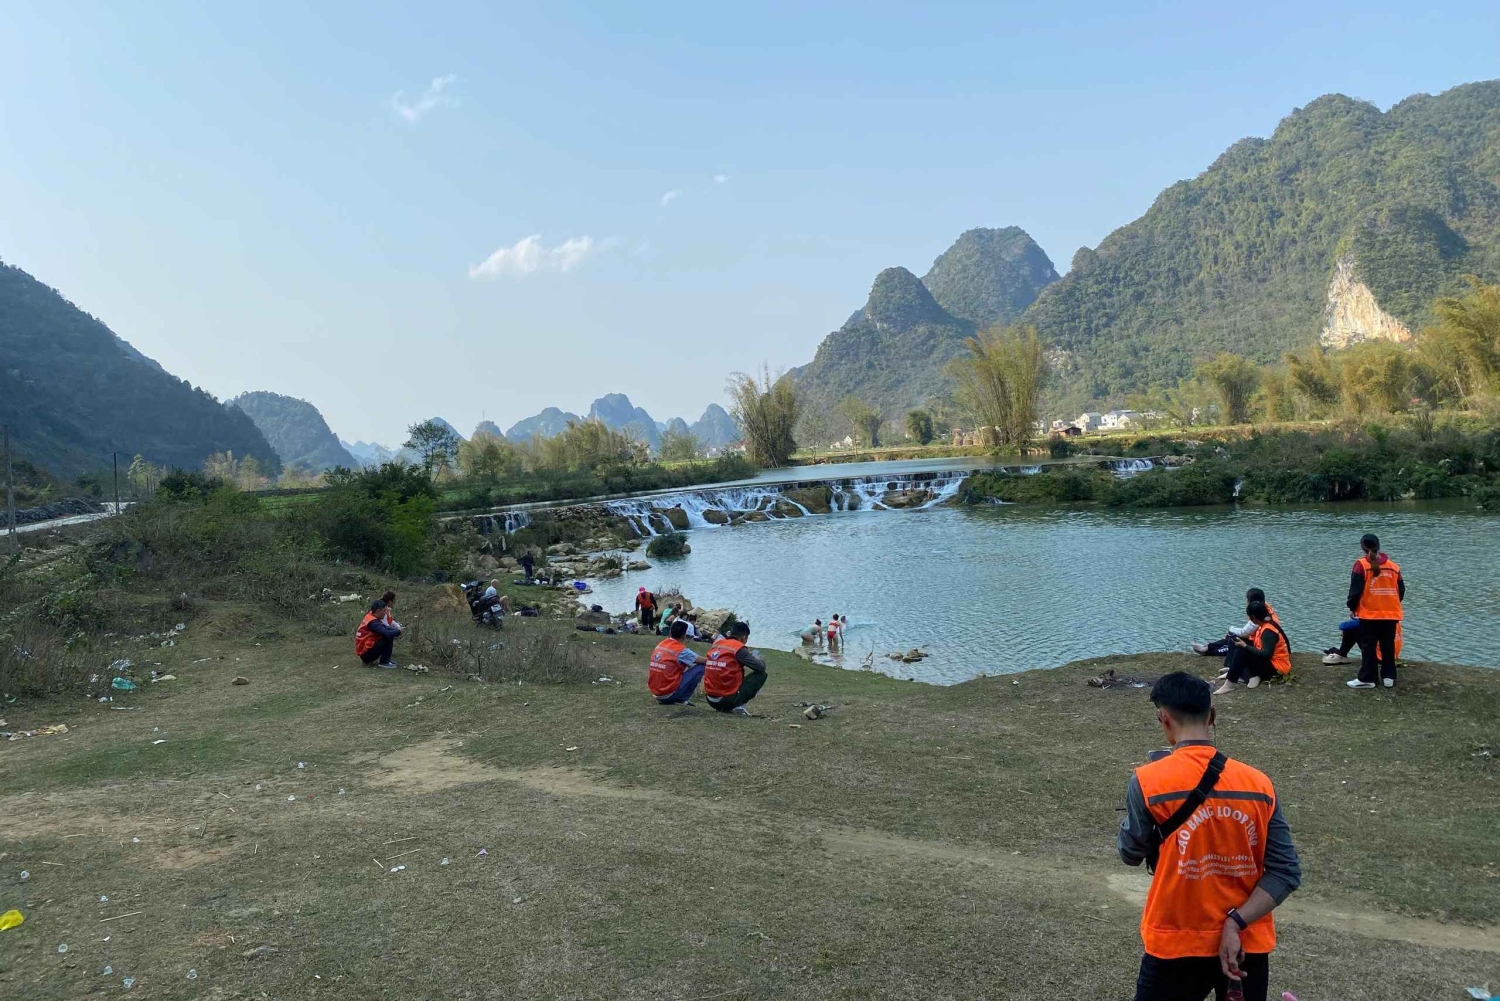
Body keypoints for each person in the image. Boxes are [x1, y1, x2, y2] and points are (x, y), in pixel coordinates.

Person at [1118, 672, 1301, 1001]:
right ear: (1212, 715)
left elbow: (1131, 853)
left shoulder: (1147, 781)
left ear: (1164, 718)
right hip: (1246, 944)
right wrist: (1235, 922)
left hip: (1175, 942)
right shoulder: (1259, 784)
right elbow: (1285, 871)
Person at [1346, 533, 1405, 690]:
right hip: (1390, 614)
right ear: (1379, 546)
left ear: (1362, 547)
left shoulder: (1361, 565)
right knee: (1388, 645)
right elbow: (1401, 591)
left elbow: (1355, 591)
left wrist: (1352, 607)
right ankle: (1389, 677)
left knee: (1369, 647)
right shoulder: (1394, 567)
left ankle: (1368, 678)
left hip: (1369, 614)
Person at [1214, 601, 1290, 695]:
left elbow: (1266, 655)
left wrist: (1245, 646)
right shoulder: (1265, 624)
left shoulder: (1268, 632)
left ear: (1253, 618)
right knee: (1235, 639)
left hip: (1277, 668)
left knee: (1242, 651)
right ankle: (1237, 671)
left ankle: (1230, 683)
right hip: (1268, 661)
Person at [704, 620, 769, 715]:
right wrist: (757, 659)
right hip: (726, 699)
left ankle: (729, 706)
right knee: (761, 675)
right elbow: (760, 667)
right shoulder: (739, 648)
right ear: (744, 637)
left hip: (710, 698)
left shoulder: (717, 644)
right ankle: (738, 707)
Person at [1193, 589, 1280, 657]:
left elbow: (1244, 633)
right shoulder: (1263, 608)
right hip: (1257, 640)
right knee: (1232, 637)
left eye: (1247, 599)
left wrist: (1231, 629)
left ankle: (1208, 651)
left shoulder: (1258, 613)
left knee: (1235, 641)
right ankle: (1208, 647)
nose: (1246, 602)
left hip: (1259, 644)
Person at [649, 620, 704, 705]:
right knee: (700, 667)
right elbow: (702, 660)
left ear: (670, 633)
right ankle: (682, 699)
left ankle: (677, 697)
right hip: (668, 693)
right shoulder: (681, 650)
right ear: (684, 636)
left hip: (656, 692)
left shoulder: (661, 644)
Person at [1321, 617, 1402, 665]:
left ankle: (1342, 654)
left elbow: (1343, 625)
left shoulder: (1370, 617)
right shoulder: (1392, 617)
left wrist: (1353, 620)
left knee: (1351, 629)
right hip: (1391, 656)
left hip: (1377, 657)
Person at [355, 599, 402, 668]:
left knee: (387, 634)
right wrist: (398, 631)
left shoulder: (370, 616)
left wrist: (396, 629)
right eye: (384, 610)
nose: (385, 613)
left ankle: (386, 660)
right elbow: (387, 633)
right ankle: (384, 662)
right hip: (366, 654)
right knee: (387, 637)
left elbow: (385, 627)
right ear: (378, 611)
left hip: (365, 651)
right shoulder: (373, 622)